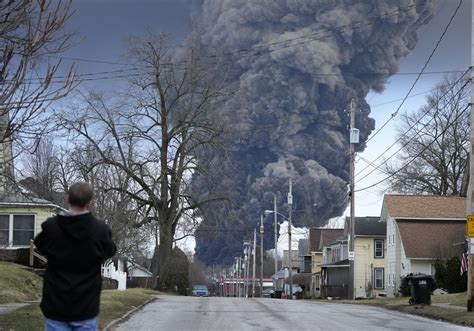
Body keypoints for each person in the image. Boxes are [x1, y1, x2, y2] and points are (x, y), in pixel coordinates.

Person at [34, 182, 116, 331]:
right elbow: (110, 251)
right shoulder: (101, 231)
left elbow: (39, 245)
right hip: (86, 307)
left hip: (55, 306)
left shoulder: (51, 228)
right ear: (89, 203)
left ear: (67, 198)